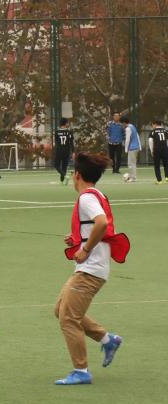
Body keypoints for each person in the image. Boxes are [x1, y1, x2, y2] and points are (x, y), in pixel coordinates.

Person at [53, 151, 126, 385]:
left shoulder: (86, 198)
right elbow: (96, 225)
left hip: (91, 268)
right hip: (91, 267)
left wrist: (85, 249)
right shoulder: (96, 194)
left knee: (68, 318)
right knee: (61, 309)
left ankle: (81, 371)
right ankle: (107, 340)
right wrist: (78, 238)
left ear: (77, 175)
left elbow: (101, 223)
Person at [53, 118, 74, 184]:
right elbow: (71, 143)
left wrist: (55, 151)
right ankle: (62, 180)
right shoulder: (69, 132)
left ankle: (64, 176)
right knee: (64, 166)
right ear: (65, 123)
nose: (68, 124)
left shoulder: (57, 132)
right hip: (67, 150)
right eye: (67, 122)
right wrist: (73, 152)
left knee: (56, 165)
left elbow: (56, 142)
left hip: (59, 150)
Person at [121, 116, 140, 182]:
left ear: (124, 123)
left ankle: (132, 178)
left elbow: (127, 139)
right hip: (136, 147)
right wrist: (139, 146)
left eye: (122, 123)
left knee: (131, 164)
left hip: (132, 148)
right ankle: (132, 176)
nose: (122, 125)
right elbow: (137, 136)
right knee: (132, 163)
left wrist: (126, 149)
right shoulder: (132, 126)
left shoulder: (128, 129)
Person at [149, 119, 168, 185]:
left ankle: (159, 180)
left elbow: (150, 141)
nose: (152, 126)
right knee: (166, 164)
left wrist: (151, 150)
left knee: (157, 166)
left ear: (155, 124)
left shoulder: (153, 131)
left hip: (157, 150)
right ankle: (167, 178)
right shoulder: (165, 131)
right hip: (165, 150)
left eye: (152, 125)